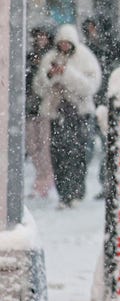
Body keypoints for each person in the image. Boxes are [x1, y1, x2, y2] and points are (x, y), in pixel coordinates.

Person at [33, 25, 101, 208]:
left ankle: (76, 191)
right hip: (56, 114)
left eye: (67, 43)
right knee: (58, 155)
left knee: (78, 154)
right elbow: (39, 86)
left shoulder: (85, 58)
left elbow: (90, 86)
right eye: (61, 43)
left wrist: (66, 74)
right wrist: (51, 75)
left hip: (79, 114)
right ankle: (64, 193)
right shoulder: (50, 58)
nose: (63, 46)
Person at [82, 16, 120, 195]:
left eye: (94, 28)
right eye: (89, 29)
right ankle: (80, 185)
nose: (91, 32)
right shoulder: (88, 50)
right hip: (91, 102)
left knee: (107, 145)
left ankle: (107, 184)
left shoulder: (115, 48)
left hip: (108, 102)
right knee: (88, 146)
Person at [25, 25, 56, 198]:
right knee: (32, 145)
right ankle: (41, 176)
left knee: (44, 145)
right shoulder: (30, 56)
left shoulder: (51, 57)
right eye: (38, 36)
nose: (40, 39)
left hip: (45, 107)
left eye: (43, 36)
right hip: (30, 106)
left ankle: (45, 179)